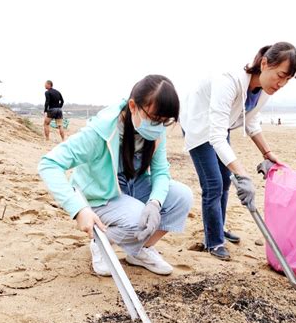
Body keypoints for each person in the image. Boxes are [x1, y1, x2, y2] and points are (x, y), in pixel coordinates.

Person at [38, 75, 193, 276]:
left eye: (165, 122)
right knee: (138, 216)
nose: (159, 127)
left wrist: (155, 203)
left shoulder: (156, 132)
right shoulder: (100, 132)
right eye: (154, 119)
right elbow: (49, 164)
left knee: (182, 196)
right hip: (100, 195)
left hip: (132, 185)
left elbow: (161, 172)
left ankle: (139, 251)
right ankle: (100, 244)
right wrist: (79, 210)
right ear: (133, 106)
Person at [180, 42, 296, 260]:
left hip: (220, 126)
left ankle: (218, 226)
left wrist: (267, 153)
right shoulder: (229, 81)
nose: (281, 83)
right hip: (199, 126)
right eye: (280, 75)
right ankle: (213, 241)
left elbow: (251, 120)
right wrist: (242, 174)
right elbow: (216, 137)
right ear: (264, 63)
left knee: (225, 182)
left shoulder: (264, 90)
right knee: (213, 184)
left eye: (287, 80)